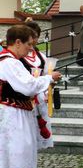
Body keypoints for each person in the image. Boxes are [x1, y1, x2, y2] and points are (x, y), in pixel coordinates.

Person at [0, 25, 61, 168]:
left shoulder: (14, 62)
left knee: (15, 156)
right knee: (5, 157)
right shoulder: (8, 62)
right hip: (8, 117)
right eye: (28, 44)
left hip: (17, 114)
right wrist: (48, 78)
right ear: (17, 42)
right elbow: (26, 86)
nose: (30, 49)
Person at [20, 21, 53, 149]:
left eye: (36, 36)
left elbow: (46, 76)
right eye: (32, 37)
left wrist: (50, 84)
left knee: (38, 131)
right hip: (24, 99)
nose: (34, 40)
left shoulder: (41, 56)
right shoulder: (17, 58)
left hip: (39, 99)